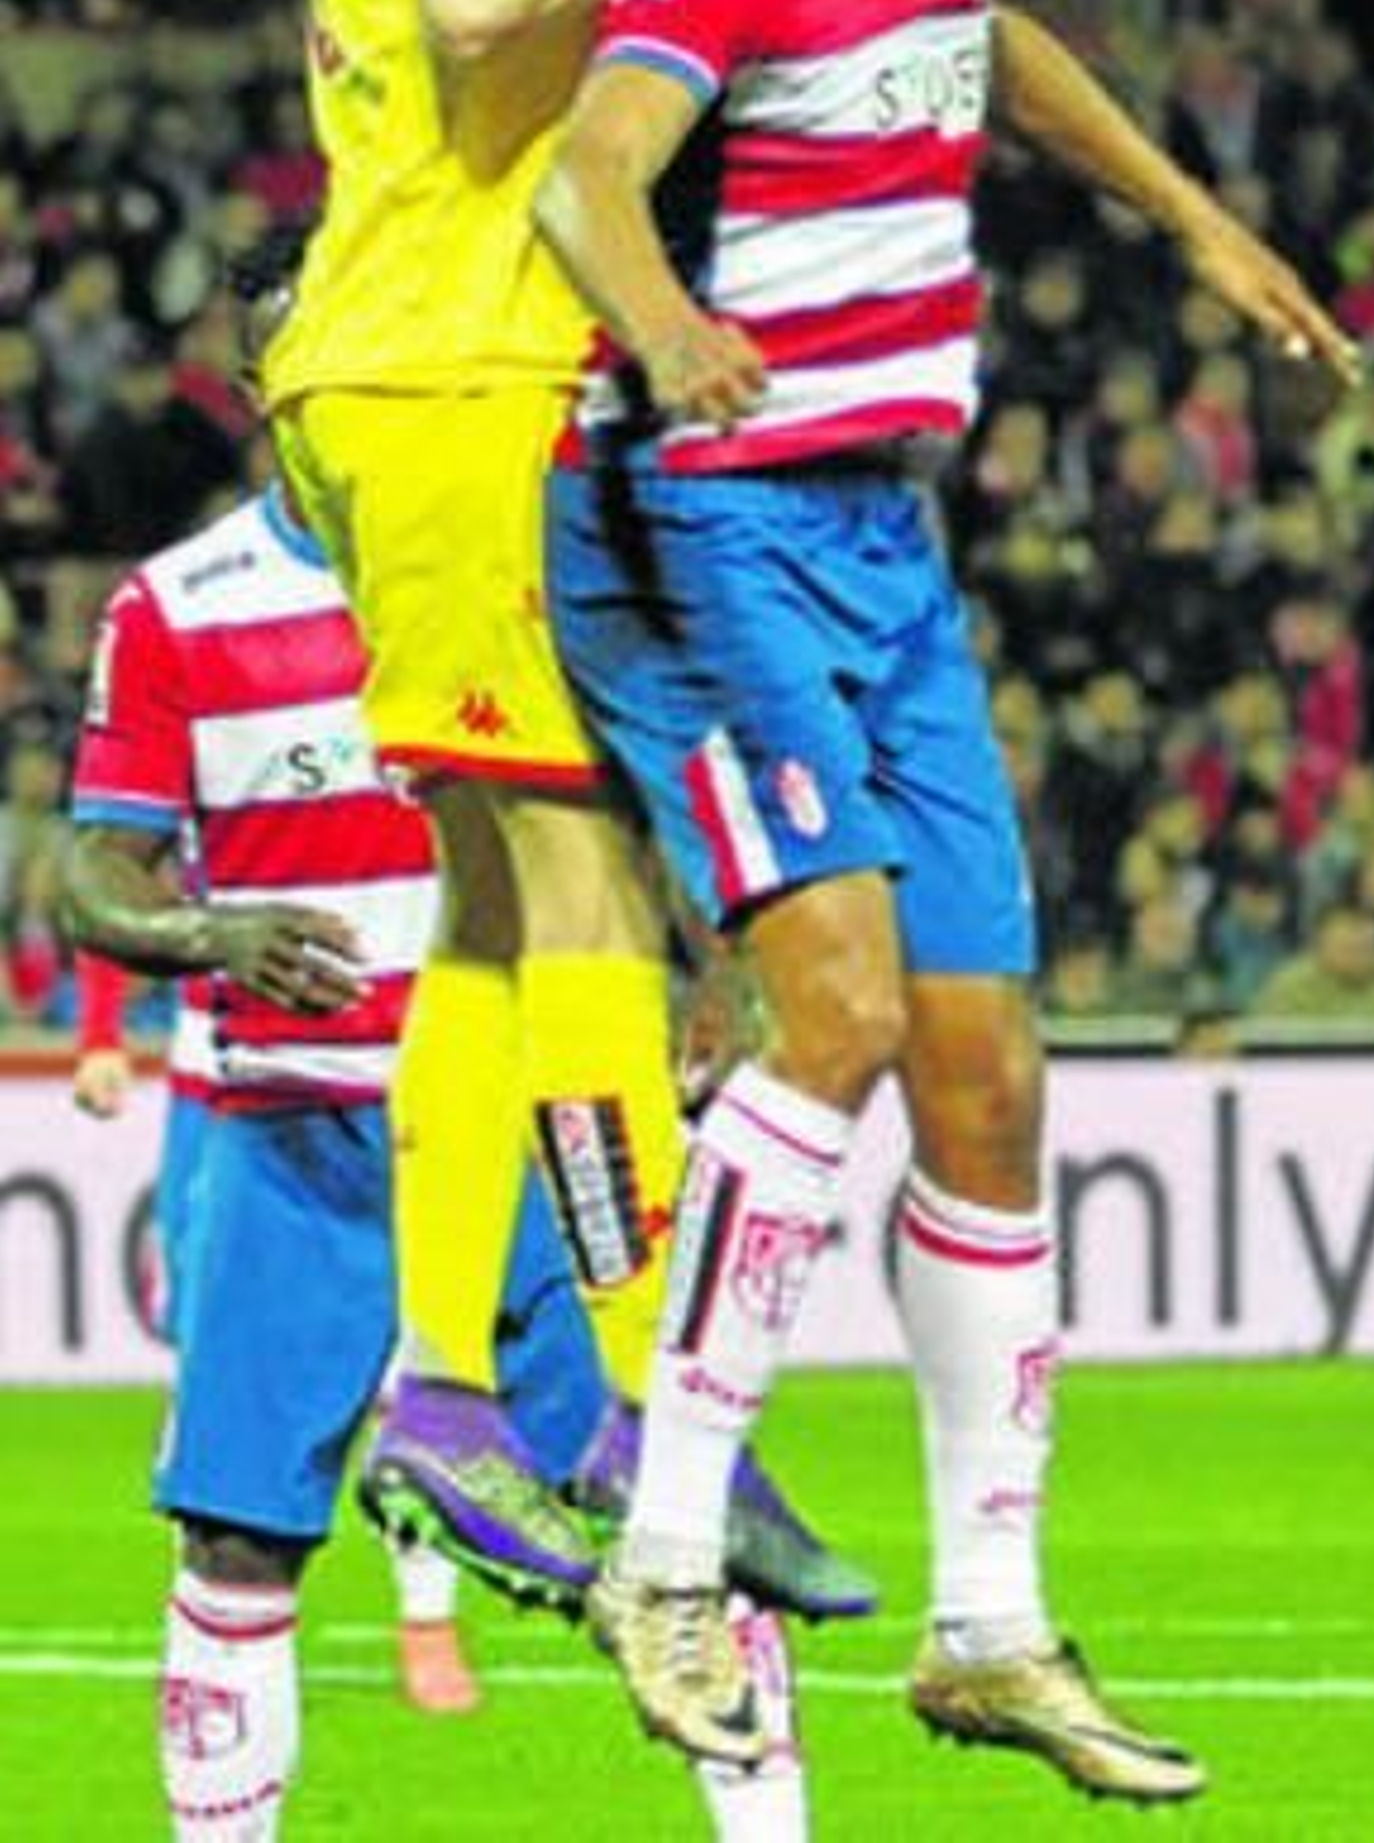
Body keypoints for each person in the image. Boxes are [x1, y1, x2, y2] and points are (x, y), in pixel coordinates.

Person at [536, 0, 1359, 1794]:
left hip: (876, 547)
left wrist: (1180, 208)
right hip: (694, 515)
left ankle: (984, 1620)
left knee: (987, 1072)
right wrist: (665, 326)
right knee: (842, 1016)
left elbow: (984, 49)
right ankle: (666, 1544)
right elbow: (585, 170)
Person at [64, 265, 816, 1842]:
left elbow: (643, 782)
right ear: (276, 394)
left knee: (673, 1511)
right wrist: (214, 935)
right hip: (289, 1133)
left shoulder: (530, 566)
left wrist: (713, 960)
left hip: (542, 1137)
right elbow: (90, 874)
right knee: (238, 1545)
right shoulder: (179, 608)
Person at [261, 0, 727, 1581]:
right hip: (449, 368)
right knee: (578, 881)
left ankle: (452, 1381)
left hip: (437, 364)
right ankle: (648, 1407)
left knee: (492, 883)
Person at [71, 952, 488, 1720]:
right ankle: (205, 1622)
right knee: (214, 1375)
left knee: (412, 1358)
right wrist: (102, 1031)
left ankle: (427, 1617)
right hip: (225, 1070)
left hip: (401, 1055)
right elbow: (130, 849)